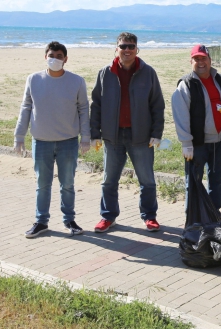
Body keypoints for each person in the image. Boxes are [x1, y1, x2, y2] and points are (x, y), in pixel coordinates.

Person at [90, 32, 165, 233]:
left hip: (140, 136)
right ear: (117, 49)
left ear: (137, 49)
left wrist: (157, 133)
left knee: (147, 180)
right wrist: (94, 133)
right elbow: (96, 104)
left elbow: (157, 104)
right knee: (108, 180)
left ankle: (149, 216)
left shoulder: (148, 72)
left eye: (131, 46)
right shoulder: (105, 73)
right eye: (123, 46)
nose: (127, 50)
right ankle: (108, 217)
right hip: (112, 137)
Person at [15, 41, 90, 238]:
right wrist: (19, 136)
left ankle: (69, 220)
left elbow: (83, 108)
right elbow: (26, 108)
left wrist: (86, 137)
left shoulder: (77, 81)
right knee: (43, 184)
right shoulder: (33, 80)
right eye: (51, 55)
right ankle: (41, 222)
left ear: (66, 59)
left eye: (59, 56)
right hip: (41, 141)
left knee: (68, 184)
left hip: (68, 141)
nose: (55, 59)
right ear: (45, 57)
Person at [172, 44, 221, 218]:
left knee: (216, 182)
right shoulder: (186, 84)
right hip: (197, 144)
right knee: (193, 182)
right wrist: (186, 143)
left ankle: (213, 216)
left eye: (204, 58)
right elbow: (180, 115)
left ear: (210, 60)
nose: (201, 62)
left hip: (220, 142)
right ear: (191, 61)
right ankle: (193, 220)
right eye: (197, 59)